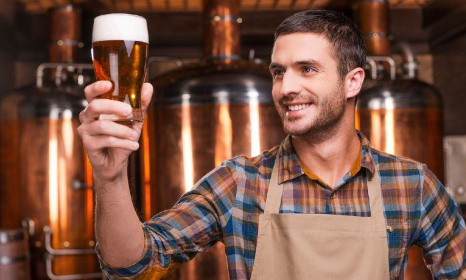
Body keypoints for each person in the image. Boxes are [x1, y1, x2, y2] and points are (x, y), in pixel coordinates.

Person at [78, 10, 466, 280]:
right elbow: (132, 267)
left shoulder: (412, 185)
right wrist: (110, 177)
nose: (286, 87)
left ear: (353, 82)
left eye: (307, 69)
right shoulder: (239, 183)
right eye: (279, 73)